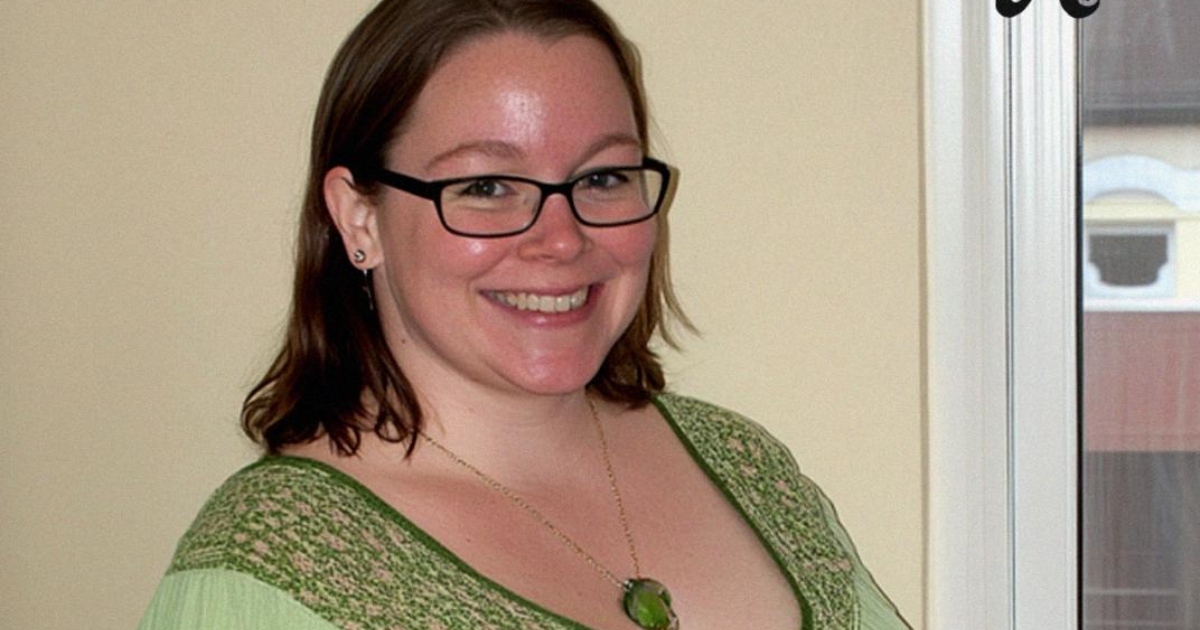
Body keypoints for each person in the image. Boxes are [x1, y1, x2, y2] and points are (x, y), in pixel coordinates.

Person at [137, 1, 911, 628]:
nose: (562, 239)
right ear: (359, 217)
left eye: (602, 177)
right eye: (485, 187)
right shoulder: (273, 564)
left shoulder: (746, 469)